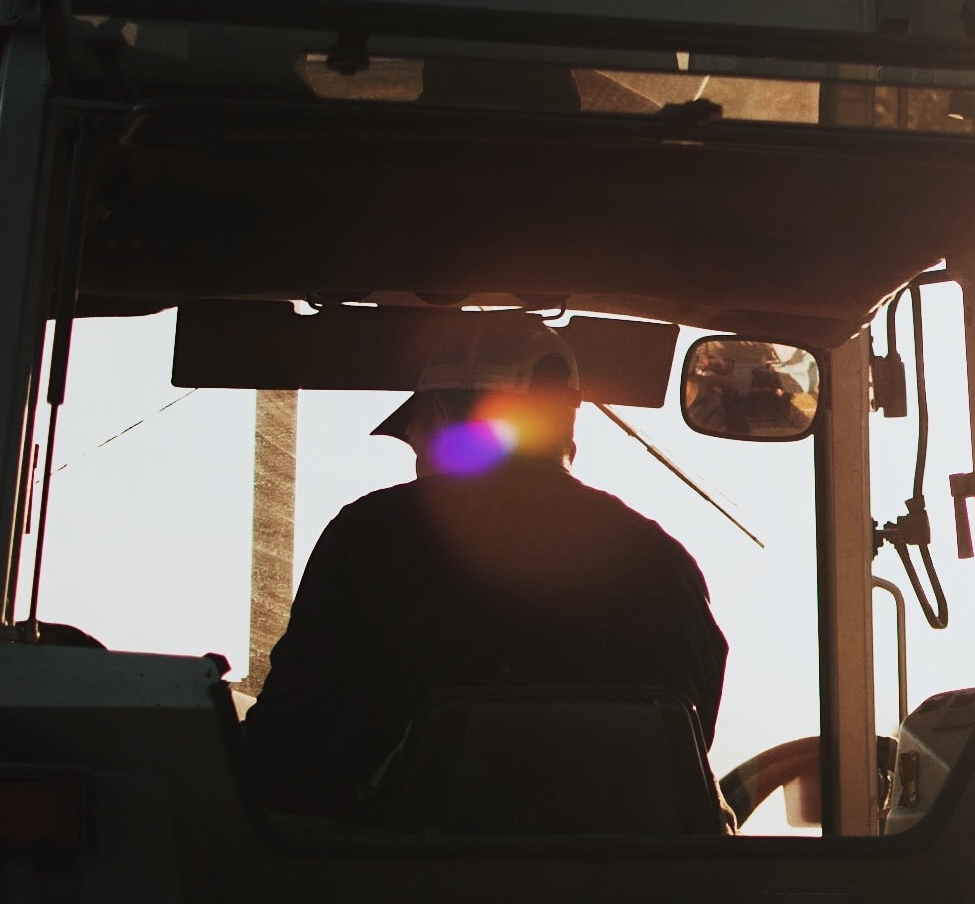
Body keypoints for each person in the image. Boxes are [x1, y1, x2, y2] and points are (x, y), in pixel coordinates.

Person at [240, 319, 727, 816]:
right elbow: (686, 744)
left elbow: (295, 743)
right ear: (567, 426)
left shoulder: (369, 535)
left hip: (407, 879)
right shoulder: (665, 559)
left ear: (439, 413)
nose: (414, 453)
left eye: (414, 434)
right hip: (635, 882)